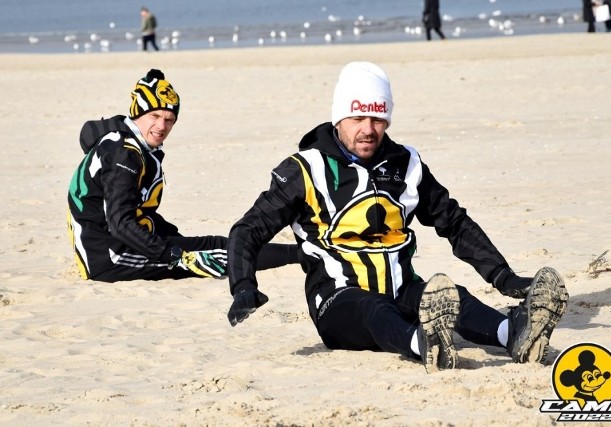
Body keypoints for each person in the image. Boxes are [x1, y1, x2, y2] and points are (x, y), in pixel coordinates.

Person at [225, 62, 569, 372]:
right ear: (338, 118)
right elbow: (247, 230)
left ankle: (515, 333)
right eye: (358, 118)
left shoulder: (406, 164)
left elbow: (454, 222)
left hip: (401, 288)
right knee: (373, 308)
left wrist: (503, 277)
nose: (368, 129)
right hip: (338, 302)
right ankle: (426, 345)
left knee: (451, 295)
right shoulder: (306, 169)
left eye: (377, 119)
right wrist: (243, 286)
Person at [67, 69, 298, 282]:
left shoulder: (123, 138)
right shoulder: (124, 155)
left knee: (211, 243)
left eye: (169, 119)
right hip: (110, 257)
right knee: (220, 255)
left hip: (108, 245)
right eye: (155, 116)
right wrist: (170, 253)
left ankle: (301, 253)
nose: (161, 126)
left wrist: (173, 237)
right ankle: (304, 256)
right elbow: (120, 224)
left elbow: (137, 211)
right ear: (137, 113)